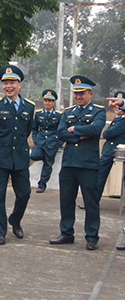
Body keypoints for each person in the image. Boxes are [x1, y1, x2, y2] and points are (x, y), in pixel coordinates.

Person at [50, 75, 106, 250]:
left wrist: (74, 129)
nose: (79, 97)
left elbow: (96, 129)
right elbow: (60, 133)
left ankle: (92, 236)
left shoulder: (99, 111)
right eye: (76, 94)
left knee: (90, 202)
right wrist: (82, 135)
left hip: (88, 165)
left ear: (90, 93)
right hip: (69, 163)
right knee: (66, 200)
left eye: (82, 93)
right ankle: (66, 233)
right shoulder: (68, 112)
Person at [0, 65, 35, 245]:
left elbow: (27, 130)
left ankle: (15, 220)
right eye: (5, 83)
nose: (8, 86)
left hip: (20, 157)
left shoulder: (29, 106)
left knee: (25, 194)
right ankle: (0, 231)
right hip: (1, 157)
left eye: (12, 82)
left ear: (19, 84)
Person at [31, 89, 61, 193]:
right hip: (40, 141)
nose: (47, 103)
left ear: (53, 102)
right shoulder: (38, 114)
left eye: (50, 101)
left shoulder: (58, 115)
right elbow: (34, 128)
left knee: (48, 164)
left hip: (52, 143)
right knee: (34, 155)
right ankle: (44, 155)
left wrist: (58, 143)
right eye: (45, 101)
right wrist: (35, 139)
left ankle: (42, 184)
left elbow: (60, 130)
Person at [97, 89, 125, 199]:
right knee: (99, 176)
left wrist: (107, 132)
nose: (116, 108)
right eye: (115, 105)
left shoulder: (122, 120)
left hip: (117, 150)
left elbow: (107, 134)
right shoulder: (118, 118)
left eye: (119, 105)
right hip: (110, 151)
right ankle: (92, 201)